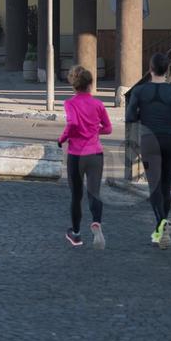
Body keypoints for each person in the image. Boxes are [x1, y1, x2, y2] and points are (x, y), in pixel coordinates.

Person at [126, 52, 171, 249]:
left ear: (150, 68)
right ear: (167, 70)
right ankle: (159, 230)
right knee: (165, 186)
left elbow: (129, 116)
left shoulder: (139, 91)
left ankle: (161, 222)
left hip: (149, 141)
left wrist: (142, 115)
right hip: (170, 140)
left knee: (153, 186)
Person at [58, 65, 112, 249]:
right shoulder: (98, 104)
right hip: (95, 153)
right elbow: (108, 128)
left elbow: (72, 123)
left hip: (76, 155)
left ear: (74, 86)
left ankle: (76, 234)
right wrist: (95, 130)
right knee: (94, 193)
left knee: (76, 196)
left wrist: (62, 138)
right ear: (90, 84)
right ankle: (96, 222)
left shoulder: (70, 103)